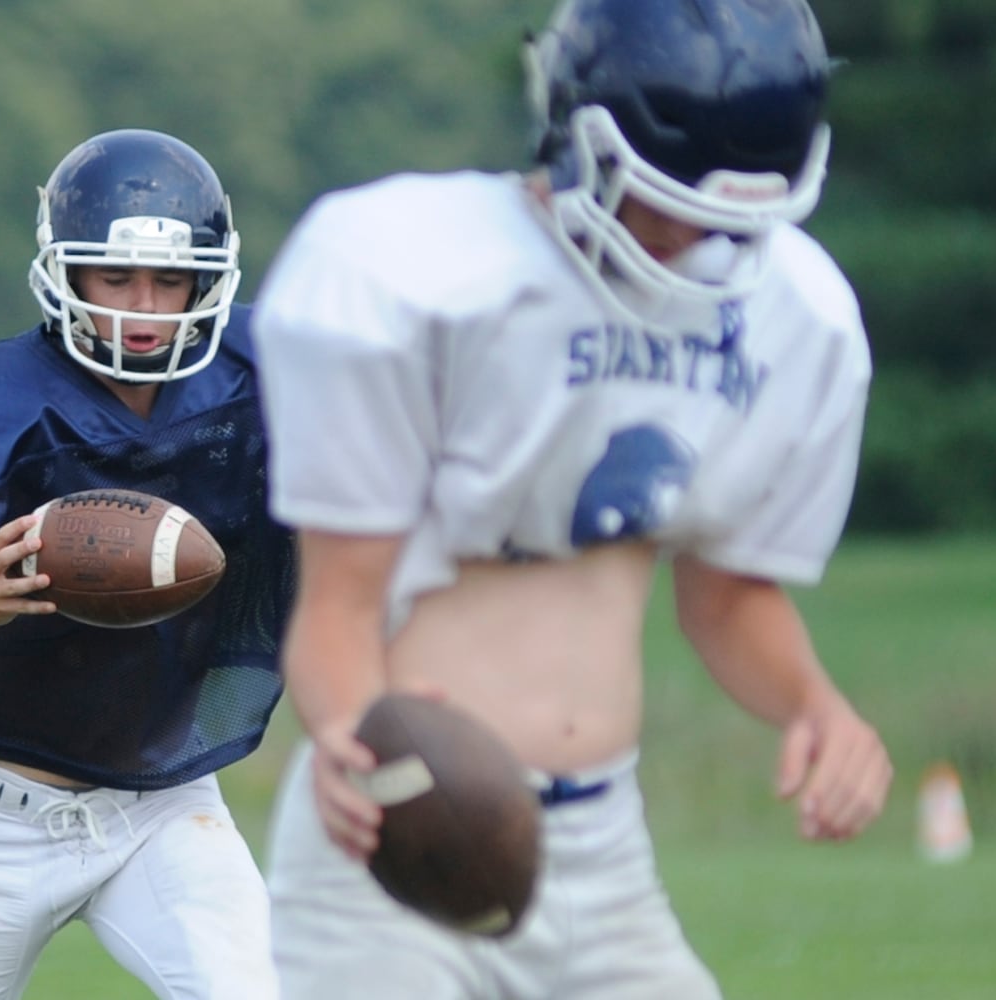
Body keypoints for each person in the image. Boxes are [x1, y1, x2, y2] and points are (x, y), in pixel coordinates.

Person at [249, 0, 893, 997]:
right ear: (578, 134)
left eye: (729, 215)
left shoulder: (789, 314)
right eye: (671, 196)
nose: (694, 235)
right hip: (399, 831)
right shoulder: (416, 272)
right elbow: (336, 603)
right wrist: (344, 729)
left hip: (601, 853)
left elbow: (724, 596)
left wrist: (816, 705)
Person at [0, 128, 294, 1000]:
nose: (143, 307)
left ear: (209, 278)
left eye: (170, 279)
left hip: (163, 803)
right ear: (64, 272)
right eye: (115, 277)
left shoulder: (266, 372)